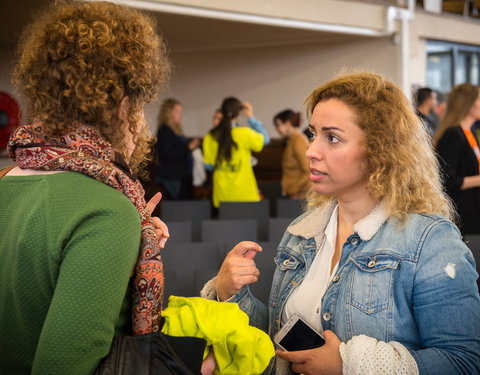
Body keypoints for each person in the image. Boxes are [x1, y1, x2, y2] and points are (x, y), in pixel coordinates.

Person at [201, 72, 480, 374]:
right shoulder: (303, 231)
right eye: (312, 134)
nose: (311, 151)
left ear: (379, 150)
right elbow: (278, 339)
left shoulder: (431, 242)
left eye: (332, 138)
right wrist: (231, 296)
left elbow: (462, 361)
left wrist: (349, 364)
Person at [0, 2, 177, 374]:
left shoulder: (6, 180)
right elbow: (66, 361)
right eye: (142, 106)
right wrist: (119, 225)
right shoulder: (106, 210)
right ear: (123, 106)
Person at [203, 97, 270, 208]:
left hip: (222, 195)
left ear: (222, 112)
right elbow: (266, 139)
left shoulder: (210, 136)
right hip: (246, 194)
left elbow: (209, 166)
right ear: (239, 113)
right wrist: (250, 117)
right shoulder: (244, 134)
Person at [435, 83, 480, 235]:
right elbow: (448, 180)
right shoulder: (452, 135)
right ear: (469, 103)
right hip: (463, 216)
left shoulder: (470, 133)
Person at [154, 98, 200, 199]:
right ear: (168, 113)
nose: (180, 115)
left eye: (180, 112)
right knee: (176, 208)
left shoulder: (175, 130)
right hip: (172, 177)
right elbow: (168, 154)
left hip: (181, 176)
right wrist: (189, 147)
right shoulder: (164, 131)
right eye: (177, 111)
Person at [273, 109, 310, 199]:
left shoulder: (298, 140)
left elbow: (308, 170)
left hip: (301, 195)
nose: (277, 129)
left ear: (288, 123)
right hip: (295, 194)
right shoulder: (291, 140)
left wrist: (294, 190)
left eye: (278, 125)